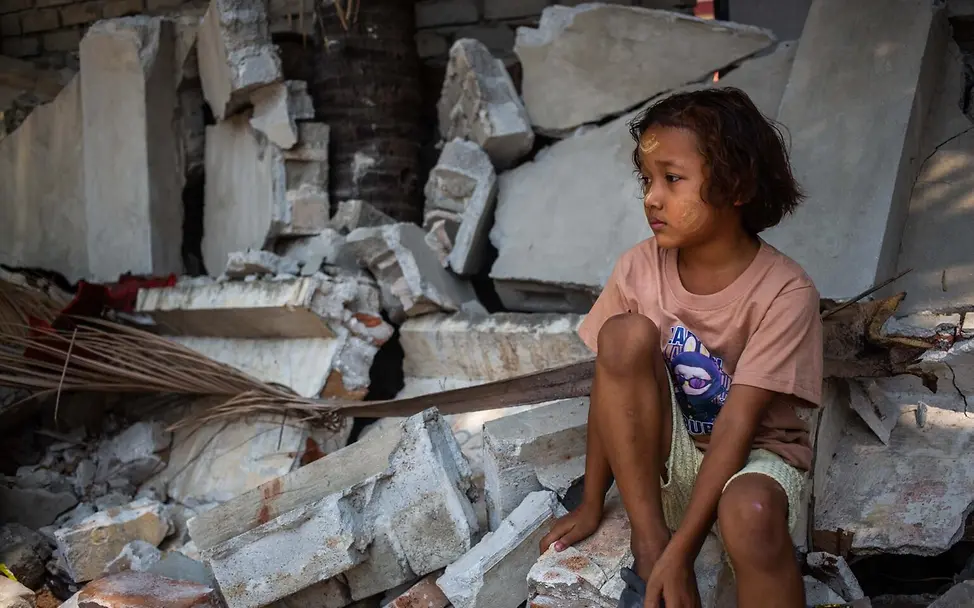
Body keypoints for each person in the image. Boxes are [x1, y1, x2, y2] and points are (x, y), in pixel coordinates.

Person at [539, 87, 823, 608]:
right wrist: (594, 503)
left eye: (672, 179)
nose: (651, 197)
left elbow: (737, 424)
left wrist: (685, 552)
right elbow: (611, 385)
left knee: (749, 512)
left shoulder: (785, 290)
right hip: (666, 462)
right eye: (647, 180)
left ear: (735, 185)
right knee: (622, 335)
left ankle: (681, 552)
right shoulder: (638, 267)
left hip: (753, 462)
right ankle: (648, 547)